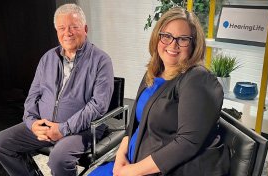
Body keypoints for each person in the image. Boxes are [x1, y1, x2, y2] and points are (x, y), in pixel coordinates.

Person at [89, 7, 230, 176]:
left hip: (160, 171)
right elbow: (134, 124)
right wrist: (120, 156)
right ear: (157, 37)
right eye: (167, 36)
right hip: (130, 162)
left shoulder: (197, 79)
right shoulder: (154, 71)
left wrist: (131, 171)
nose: (173, 44)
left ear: (194, 44)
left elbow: (187, 143)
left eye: (183, 39)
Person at [0, 4, 114, 176]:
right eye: (62, 28)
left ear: (85, 29)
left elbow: (98, 105)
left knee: (59, 159)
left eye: (74, 27)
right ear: (56, 31)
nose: (68, 33)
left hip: (82, 130)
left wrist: (63, 129)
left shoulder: (101, 61)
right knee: (1, 143)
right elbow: (33, 96)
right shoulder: (47, 58)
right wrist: (32, 123)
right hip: (44, 125)